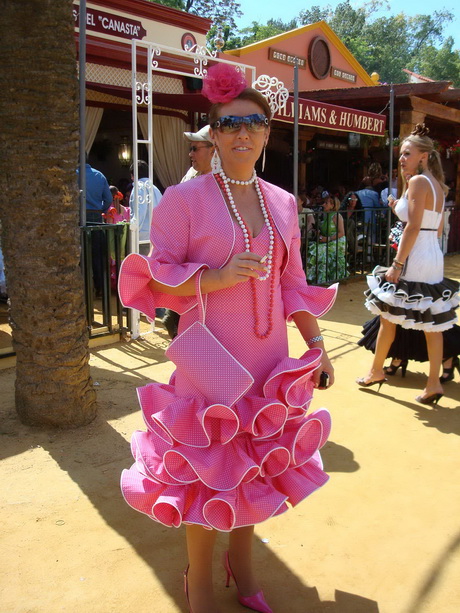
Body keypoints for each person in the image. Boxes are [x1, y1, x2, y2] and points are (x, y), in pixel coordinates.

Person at [118, 63, 338, 613]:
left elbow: (293, 283)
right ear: (212, 135)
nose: (243, 133)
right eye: (230, 123)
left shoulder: (284, 202)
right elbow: (155, 269)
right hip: (209, 360)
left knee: (254, 470)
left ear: (267, 132)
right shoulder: (184, 200)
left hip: (267, 361)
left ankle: (242, 569)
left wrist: (316, 345)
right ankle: (197, 579)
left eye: (254, 123)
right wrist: (213, 278)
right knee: (209, 470)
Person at [357, 124, 459, 404]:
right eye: (401, 153)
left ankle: (377, 371)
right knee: (431, 324)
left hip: (415, 255)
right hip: (432, 255)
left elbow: (412, 227)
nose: (401, 158)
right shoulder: (438, 185)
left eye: (406, 153)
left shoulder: (418, 183)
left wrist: (398, 264)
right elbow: (434, 229)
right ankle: (432, 382)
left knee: (389, 316)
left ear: (423, 156)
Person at [162, 126, 215, 339]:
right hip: (190, 267)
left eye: (195, 148)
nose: (190, 154)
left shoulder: (230, 185)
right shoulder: (191, 177)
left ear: (214, 151)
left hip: (212, 269)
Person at [77, 160, 113, 296]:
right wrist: (100, 210)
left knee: (79, 254)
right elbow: (108, 199)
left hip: (79, 217)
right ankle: (100, 288)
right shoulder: (99, 175)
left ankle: (83, 289)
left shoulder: (74, 174)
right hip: (96, 217)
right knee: (98, 254)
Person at [307, 194, 347, 284]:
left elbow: (341, 233)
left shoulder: (337, 216)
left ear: (332, 205)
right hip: (326, 240)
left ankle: (325, 278)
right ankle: (317, 277)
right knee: (314, 248)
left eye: (326, 203)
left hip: (336, 241)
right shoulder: (324, 216)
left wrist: (328, 239)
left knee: (321, 251)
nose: (323, 205)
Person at [129, 160, 162, 256]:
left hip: (142, 237)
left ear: (133, 175)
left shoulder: (139, 187)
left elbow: (139, 212)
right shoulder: (155, 188)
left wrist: (133, 231)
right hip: (156, 236)